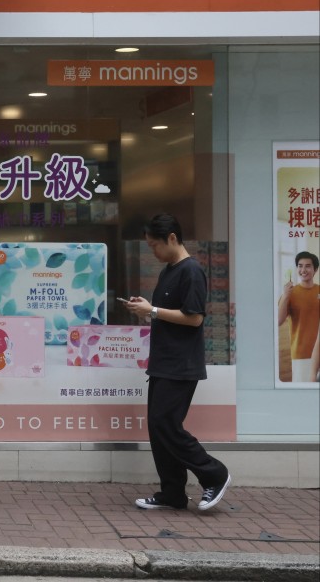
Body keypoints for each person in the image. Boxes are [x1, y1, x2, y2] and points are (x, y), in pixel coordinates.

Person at [123, 213, 231, 512]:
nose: (153, 251)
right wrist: (147, 310)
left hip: (181, 365)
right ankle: (172, 493)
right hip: (162, 361)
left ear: (172, 238)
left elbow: (194, 318)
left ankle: (215, 474)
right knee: (158, 428)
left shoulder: (191, 271)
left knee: (166, 424)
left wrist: (153, 311)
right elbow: (167, 313)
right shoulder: (168, 271)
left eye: (154, 245)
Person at [277, 251, 320, 383]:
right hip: (301, 354)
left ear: (315, 269)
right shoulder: (290, 293)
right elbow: (278, 321)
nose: (303, 270)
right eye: (300, 266)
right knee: (303, 391)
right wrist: (285, 296)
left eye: (308, 266)